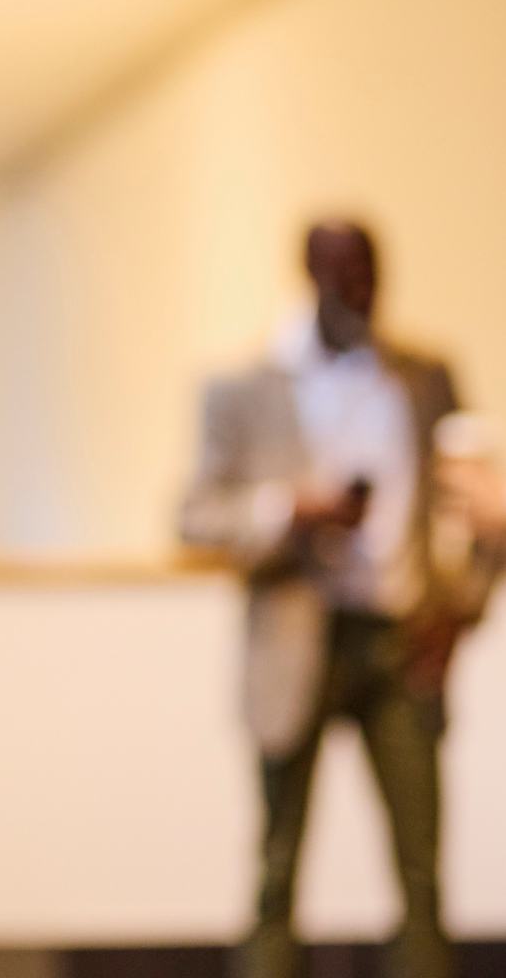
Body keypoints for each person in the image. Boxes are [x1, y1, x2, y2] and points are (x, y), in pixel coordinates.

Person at [181, 221, 503, 978]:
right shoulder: (247, 385)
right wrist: (292, 511)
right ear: (310, 274)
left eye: (370, 275)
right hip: (298, 637)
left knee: (421, 869)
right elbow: (196, 513)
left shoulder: (424, 376)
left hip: (399, 636)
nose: (360, 291)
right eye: (344, 274)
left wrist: (461, 610)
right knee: (277, 866)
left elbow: (476, 506)